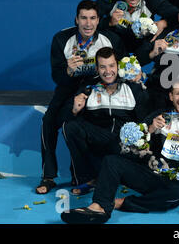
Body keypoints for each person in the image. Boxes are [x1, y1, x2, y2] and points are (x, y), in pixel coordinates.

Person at [61, 80, 179, 224]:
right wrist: (150, 129)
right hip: (153, 174)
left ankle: (121, 203)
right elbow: (129, 147)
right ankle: (99, 208)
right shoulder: (159, 116)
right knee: (112, 161)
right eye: (177, 94)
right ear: (171, 96)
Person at [36, 0, 125, 194]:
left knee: (72, 122)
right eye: (83, 18)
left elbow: (119, 68)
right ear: (76, 19)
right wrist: (68, 70)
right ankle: (48, 177)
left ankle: (80, 178)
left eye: (92, 18)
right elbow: (56, 75)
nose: (88, 23)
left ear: (98, 20)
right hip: (67, 87)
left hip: (94, 88)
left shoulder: (109, 39)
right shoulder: (61, 39)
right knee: (47, 122)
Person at [62, 47, 149, 195]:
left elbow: (145, 120)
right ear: (97, 68)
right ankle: (86, 179)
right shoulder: (89, 88)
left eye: (111, 66)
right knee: (70, 127)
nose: (108, 71)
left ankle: (107, 177)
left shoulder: (132, 87)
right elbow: (67, 118)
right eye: (103, 67)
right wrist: (75, 110)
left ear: (118, 66)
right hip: (98, 144)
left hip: (123, 146)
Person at [96, 0, 179, 53]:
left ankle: (158, 63)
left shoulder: (150, 0)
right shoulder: (112, 0)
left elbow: (178, 14)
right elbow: (87, 19)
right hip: (116, 44)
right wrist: (109, 22)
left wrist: (164, 22)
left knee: (164, 32)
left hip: (143, 45)